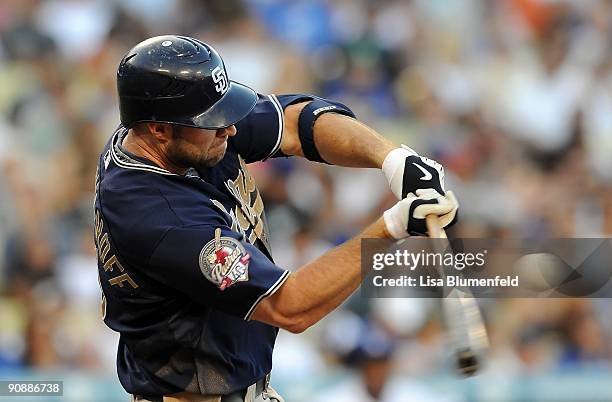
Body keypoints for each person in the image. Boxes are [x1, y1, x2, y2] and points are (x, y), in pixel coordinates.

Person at [94, 35, 458, 402]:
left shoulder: (176, 137)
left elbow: (298, 123)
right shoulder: (158, 215)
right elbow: (290, 306)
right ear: (157, 129)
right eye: (212, 120)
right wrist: (391, 227)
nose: (230, 129)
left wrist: (392, 159)